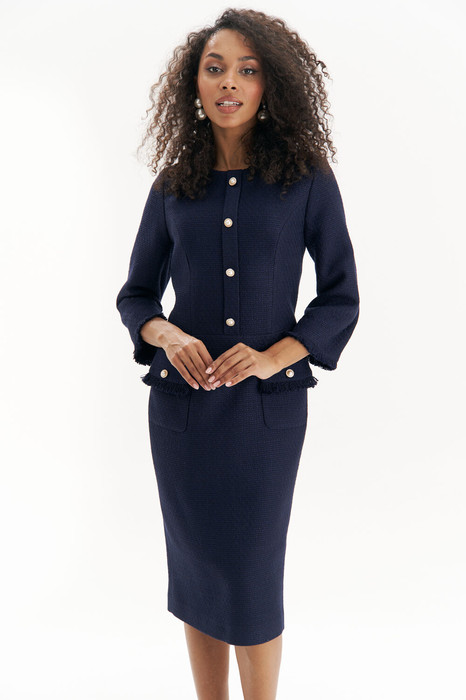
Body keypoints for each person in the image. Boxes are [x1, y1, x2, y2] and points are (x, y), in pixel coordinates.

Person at [116, 8, 359, 700]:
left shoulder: (306, 179)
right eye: (215, 68)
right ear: (193, 84)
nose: (229, 82)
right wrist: (166, 335)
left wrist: (275, 355)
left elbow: (341, 298)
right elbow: (136, 296)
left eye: (247, 70)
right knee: (196, 570)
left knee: (253, 573)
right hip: (182, 411)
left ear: (269, 83)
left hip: (266, 415)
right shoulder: (173, 184)